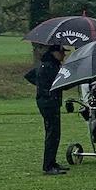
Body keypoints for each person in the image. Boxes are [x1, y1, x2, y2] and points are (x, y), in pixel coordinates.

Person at [24, 45, 68, 175]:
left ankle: (52, 162)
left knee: (54, 133)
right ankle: (48, 166)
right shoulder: (50, 66)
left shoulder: (46, 64)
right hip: (49, 103)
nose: (64, 55)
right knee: (52, 134)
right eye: (61, 52)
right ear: (54, 53)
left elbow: (30, 76)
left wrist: (42, 85)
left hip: (48, 102)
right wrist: (46, 89)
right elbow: (60, 83)